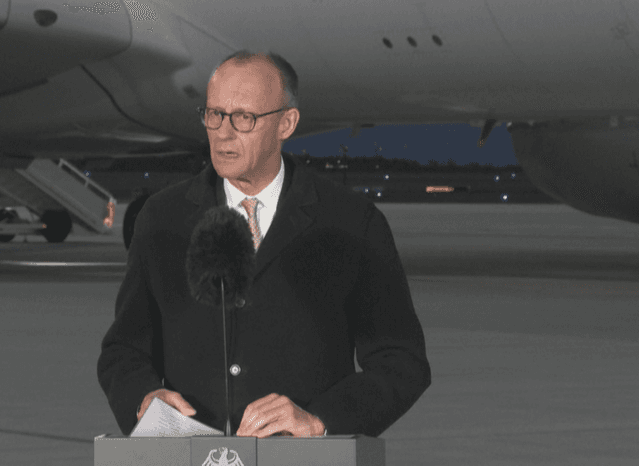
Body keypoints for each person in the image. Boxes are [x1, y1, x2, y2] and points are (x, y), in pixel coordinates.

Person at [97, 50, 430, 438]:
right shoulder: (161, 219)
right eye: (214, 114)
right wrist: (143, 398)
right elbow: (123, 350)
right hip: (187, 455)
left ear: (286, 123)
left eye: (244, 118)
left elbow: (400, 361)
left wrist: (321, 420)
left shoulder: (352, 222)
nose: (223, 133)